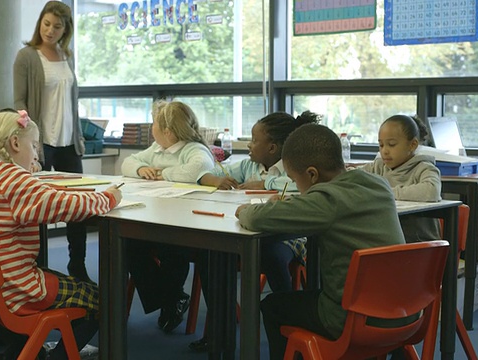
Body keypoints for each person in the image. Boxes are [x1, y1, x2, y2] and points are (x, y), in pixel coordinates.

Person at [234, 124, 405, 359]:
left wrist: (244, 210)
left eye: (295, 180)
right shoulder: (378, 185)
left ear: (312, 175)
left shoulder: (327, 200)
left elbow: (256, 217)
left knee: (273, 306)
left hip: (352, 318)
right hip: (405, 311)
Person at [0, 110, 122, 360]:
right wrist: (108, 197)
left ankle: (21, 353)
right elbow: (64, 206)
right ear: (15, 143)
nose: (36, 154)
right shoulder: (12, 178)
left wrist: (29, 175)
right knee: (104, 298)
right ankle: (58, 356)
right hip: (16, 289)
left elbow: (29, 196)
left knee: (63, 281)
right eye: (34, 146)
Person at [189, 111, 320, 351]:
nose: (249, 144)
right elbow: (205, 174)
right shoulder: (249, 166)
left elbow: (300, 185)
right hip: (248, 230)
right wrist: (214, 180)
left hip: (288, 237)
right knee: (211, 254)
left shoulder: (294, 166)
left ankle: (287, 314)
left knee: (271, 253)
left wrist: (266, 183)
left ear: (272, 148)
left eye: (253, 140)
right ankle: (219, 330)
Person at [13, 1, 92, 283]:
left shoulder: (67, 56)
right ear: (39, 24)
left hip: (69, 142)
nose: (50, 30)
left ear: (65, 30)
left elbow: (72, 102)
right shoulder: (27, 56)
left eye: (57, 26)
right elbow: (19, 100)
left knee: (77, 206)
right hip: (42, 143)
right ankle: (40, 267)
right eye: (46, 24)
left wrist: (78, 136)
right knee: (39, 206)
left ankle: (77, 265)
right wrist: (28, 135)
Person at [121, 100, 215, 333]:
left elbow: (197, 170)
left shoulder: (193, 149)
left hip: (187, 224)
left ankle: (169, 301)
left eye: (154, 123)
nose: (151, 127)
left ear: (168, 132)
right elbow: (128, 162)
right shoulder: (156, 149)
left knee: (173, 250)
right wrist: (140, 170)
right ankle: (170, 299)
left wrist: (163, 174)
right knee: (129, 243)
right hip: (156, 218)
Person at [360, 114, 441, 243]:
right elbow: (352, 176)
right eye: (381, 145)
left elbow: (431, 191)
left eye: (391, 145)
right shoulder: (378, 166)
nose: (385, 151)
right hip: (387, 241)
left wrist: (387, 193)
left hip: (420, 245)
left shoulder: (424, 167)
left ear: (412, 145)